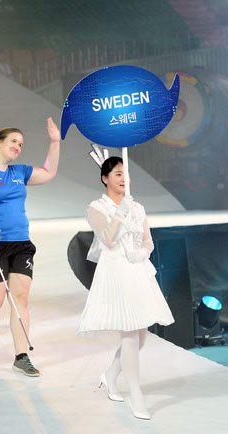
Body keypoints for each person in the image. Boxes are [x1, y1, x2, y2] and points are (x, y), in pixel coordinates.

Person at [78, 156, 174, 420]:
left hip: (137, 271)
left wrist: (141, 253)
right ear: (105, 178)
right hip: (116, 272)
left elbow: (148, 241)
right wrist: (120, 212)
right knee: (130, 335)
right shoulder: (95, 208)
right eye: (117, 174)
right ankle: (135, 394)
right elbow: (108, 239)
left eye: (125, 174)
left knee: (140, 337)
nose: (123, 179)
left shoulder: (138, 207)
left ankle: (110, 375)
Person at [0, 118, 60, 377]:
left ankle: (21, 356)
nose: (18, 146)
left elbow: (49, 173)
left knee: (20, 298)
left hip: (20, 243)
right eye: (13, 141)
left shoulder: (20, 172)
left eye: (21, 143)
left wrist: (55, 141)